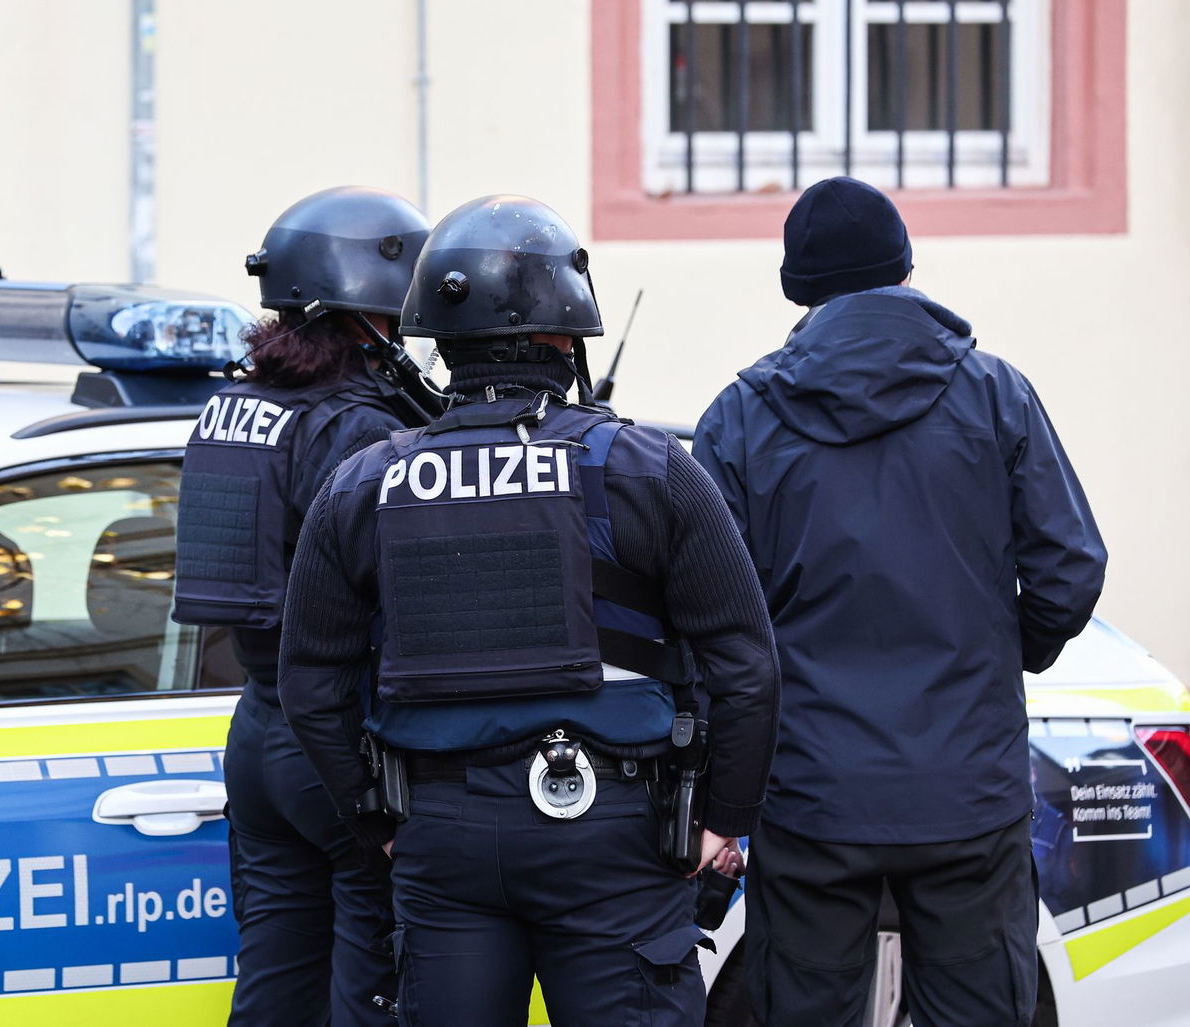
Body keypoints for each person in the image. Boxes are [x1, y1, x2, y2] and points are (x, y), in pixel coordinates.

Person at [278, 195, 780, 1025]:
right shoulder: (649, 468)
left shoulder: (366, 482)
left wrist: (379, 821)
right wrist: (723, 821)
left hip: (442, 836)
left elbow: (309, 682)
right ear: (565, 335)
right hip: (615, 831)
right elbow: (746, 662)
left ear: (439, 341)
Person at [692, 176, 1107, 1027]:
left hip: (810, 797)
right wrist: (998, 654)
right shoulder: (996, 395)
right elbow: (1071, 571)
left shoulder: (739, 418)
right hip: (967, 791)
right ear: (908, 269)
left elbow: (707, 623)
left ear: (798, 290)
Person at [171, 186, 431, 1027]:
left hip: (260, 735)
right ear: (370, 311)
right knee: (372, 991)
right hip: (343, 740)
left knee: (275, 987)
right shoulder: (359, 429)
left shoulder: (237, 408)